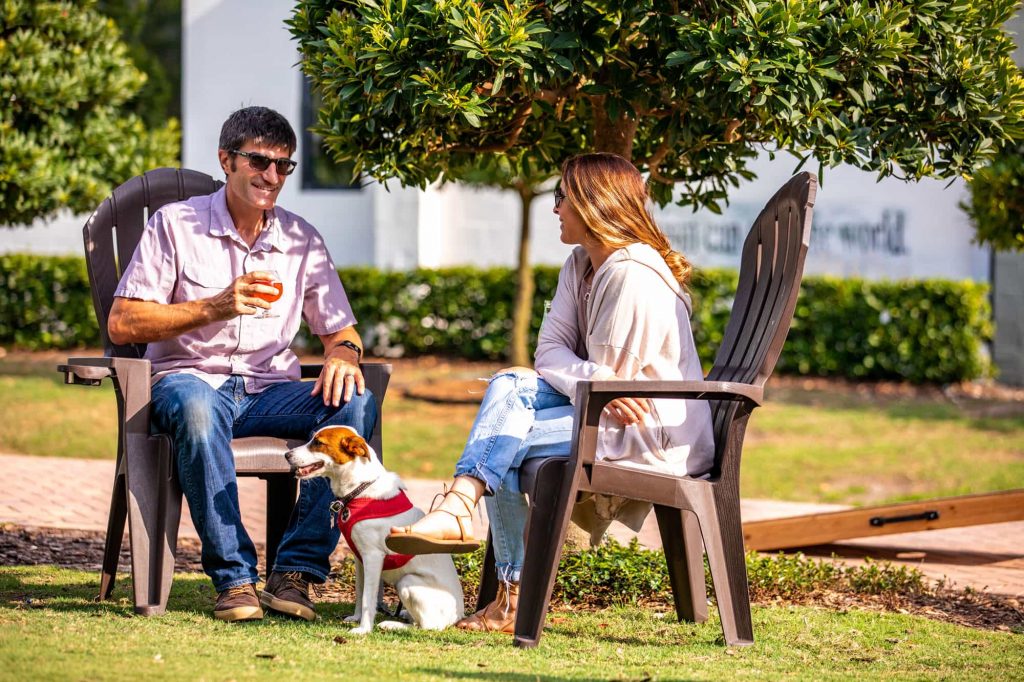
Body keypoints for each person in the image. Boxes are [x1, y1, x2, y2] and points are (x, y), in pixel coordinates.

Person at [386, 152, 716, 633]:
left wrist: (588, 378)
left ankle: (466, 520)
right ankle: (492, 564)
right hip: (601, 414)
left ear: (592, 202)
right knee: (509, 391)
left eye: (562, 197)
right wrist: (589, 379)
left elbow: (606, 380)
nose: (555, 207)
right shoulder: (579, 264)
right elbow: (550, 354)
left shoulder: (633, 273)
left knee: (504, 431)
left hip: (650, 434)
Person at [107, 106, 376, 623]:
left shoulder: (301, 239)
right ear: (227, 160)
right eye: (259, 162)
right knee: (198, 407)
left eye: (284, 167)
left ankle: (295, 573)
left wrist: (344, 355)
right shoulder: (176, 226)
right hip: (189, 382)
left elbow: (340, 330)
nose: (272, 177)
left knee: (356, 401)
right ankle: (234, 579)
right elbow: (123, 323)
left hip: (271, 390)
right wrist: (215, 306)